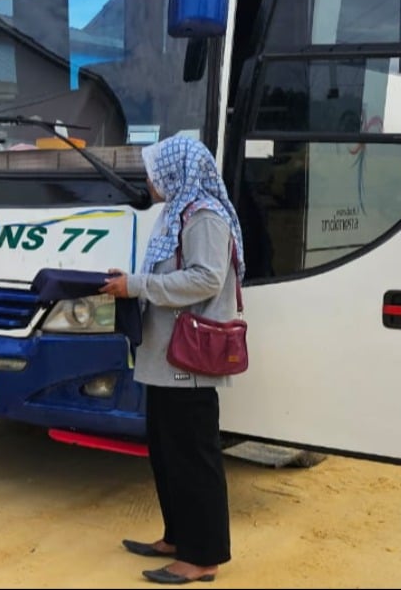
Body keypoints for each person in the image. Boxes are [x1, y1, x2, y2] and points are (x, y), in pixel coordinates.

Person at [99, 134, 245, 585]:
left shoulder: (204, 216)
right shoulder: (177, 213)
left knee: (193, 457)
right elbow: (170, 272)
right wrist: (131, 282)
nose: (149, 179)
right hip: (165, 357)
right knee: (167, 453)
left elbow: (206, 279)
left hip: (190, 361)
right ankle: (178, 536)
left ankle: (203, 557)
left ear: (178, 172)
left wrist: (138, 286)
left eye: (155, 171)